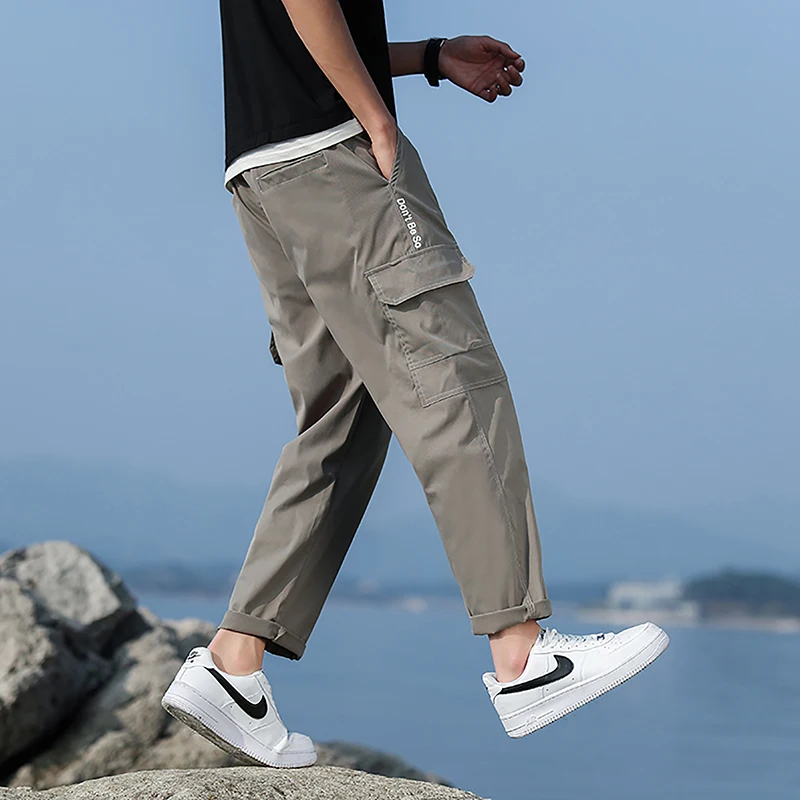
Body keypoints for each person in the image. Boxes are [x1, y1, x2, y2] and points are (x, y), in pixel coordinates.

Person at [161, 0, 669, 767]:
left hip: (264, 169)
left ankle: (235, 665)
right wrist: (376, 119)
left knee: (347, 414)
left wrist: (429, 57)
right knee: (454, 381)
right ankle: (521, 653)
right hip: (332, 157)